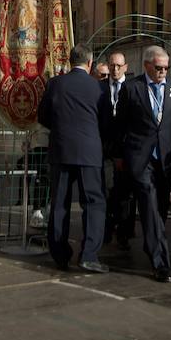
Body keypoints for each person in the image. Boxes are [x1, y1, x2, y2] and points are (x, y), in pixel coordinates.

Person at [115, 45, 171, 282]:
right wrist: (118, 156)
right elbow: (119, 125)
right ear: (146, 66)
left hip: (165, 160)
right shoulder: (132, 89)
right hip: (140, 160)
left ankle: (152, 243)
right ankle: (160, 263)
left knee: (161, 209)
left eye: (166, 67)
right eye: (158, 67)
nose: (163, 71)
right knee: (150, 207)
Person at [37, 44, 108, 273]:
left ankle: (59, 254)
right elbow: (106, 120)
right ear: (90, 63)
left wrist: (60, 129)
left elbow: (43, 115)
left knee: (59, 203)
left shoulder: (55, 84)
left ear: (70, 62)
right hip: (89, 151)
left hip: (61, 149)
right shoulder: (99, 88)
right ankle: (89, 255)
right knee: (94, 204)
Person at [98, 51, 135, 248]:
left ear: (125, 67)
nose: (115, 69)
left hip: (126, 150)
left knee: (125, 195)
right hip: (104, 149)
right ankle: (105, 231)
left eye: (119, 66)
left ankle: (124, 234)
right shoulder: (100, 88)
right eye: (112, 65)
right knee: (104, 191)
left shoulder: (133, 88)